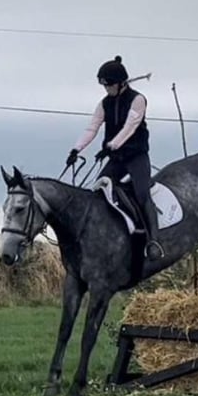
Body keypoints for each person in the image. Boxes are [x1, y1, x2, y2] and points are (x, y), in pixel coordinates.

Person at [66, 55, 165, 260]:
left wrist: (111, 145)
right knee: (98, 191)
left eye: (109, 84)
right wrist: (76, 150)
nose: (106, 89)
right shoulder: (104, 104)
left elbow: (130, 127)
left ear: (121, 83)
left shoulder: (138, 100)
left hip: (136, 156)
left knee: (141, 193)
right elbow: (92, 128)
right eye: (104, 85)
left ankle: (154, 241)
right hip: (116, 158)